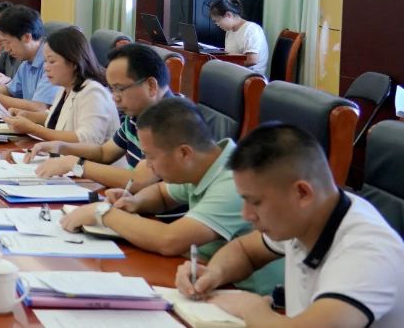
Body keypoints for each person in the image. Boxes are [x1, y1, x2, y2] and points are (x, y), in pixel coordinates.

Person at [175, 124, 403, 327]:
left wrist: (251, 309)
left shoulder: (367, 255)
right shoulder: (311, 214)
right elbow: (244, 251)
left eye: (256, 202)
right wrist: (213, 274)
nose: (246, 215)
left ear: (302, 193)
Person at [62, 98, 282, 295]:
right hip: (209, 279)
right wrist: (135, 201)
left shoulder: (232, 181)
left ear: (184, 153)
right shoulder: (202, 163)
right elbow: (161, 193)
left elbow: (169, 240)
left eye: (151, 157)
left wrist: (103, 213)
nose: (147, 165)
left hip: (247, 295)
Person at [25, 43, 172, 190]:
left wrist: (75, 164)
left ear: (151, 86)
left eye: (120, 89)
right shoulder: (138, 113)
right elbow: (104, 153)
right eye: (112, 89)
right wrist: (60, 146)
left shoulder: (170, 121)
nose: (114, 98)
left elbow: (139, 181)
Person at [2, 27, 119, 144]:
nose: (46, 67)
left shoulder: (93, 93)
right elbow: (57, 116)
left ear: (73, 62)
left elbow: (86, 139)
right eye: (45, 61)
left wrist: (33, 129)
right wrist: (27, 115)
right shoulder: (65, 88)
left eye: (52, 61)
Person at [209, 0, 270, 76]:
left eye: (218, 21)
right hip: (236, 73)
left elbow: (252, 60)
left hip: (250, 76)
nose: (217, 24)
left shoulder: (251, 29)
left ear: (228, 15)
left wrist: (227, 66)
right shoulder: (229, 31)